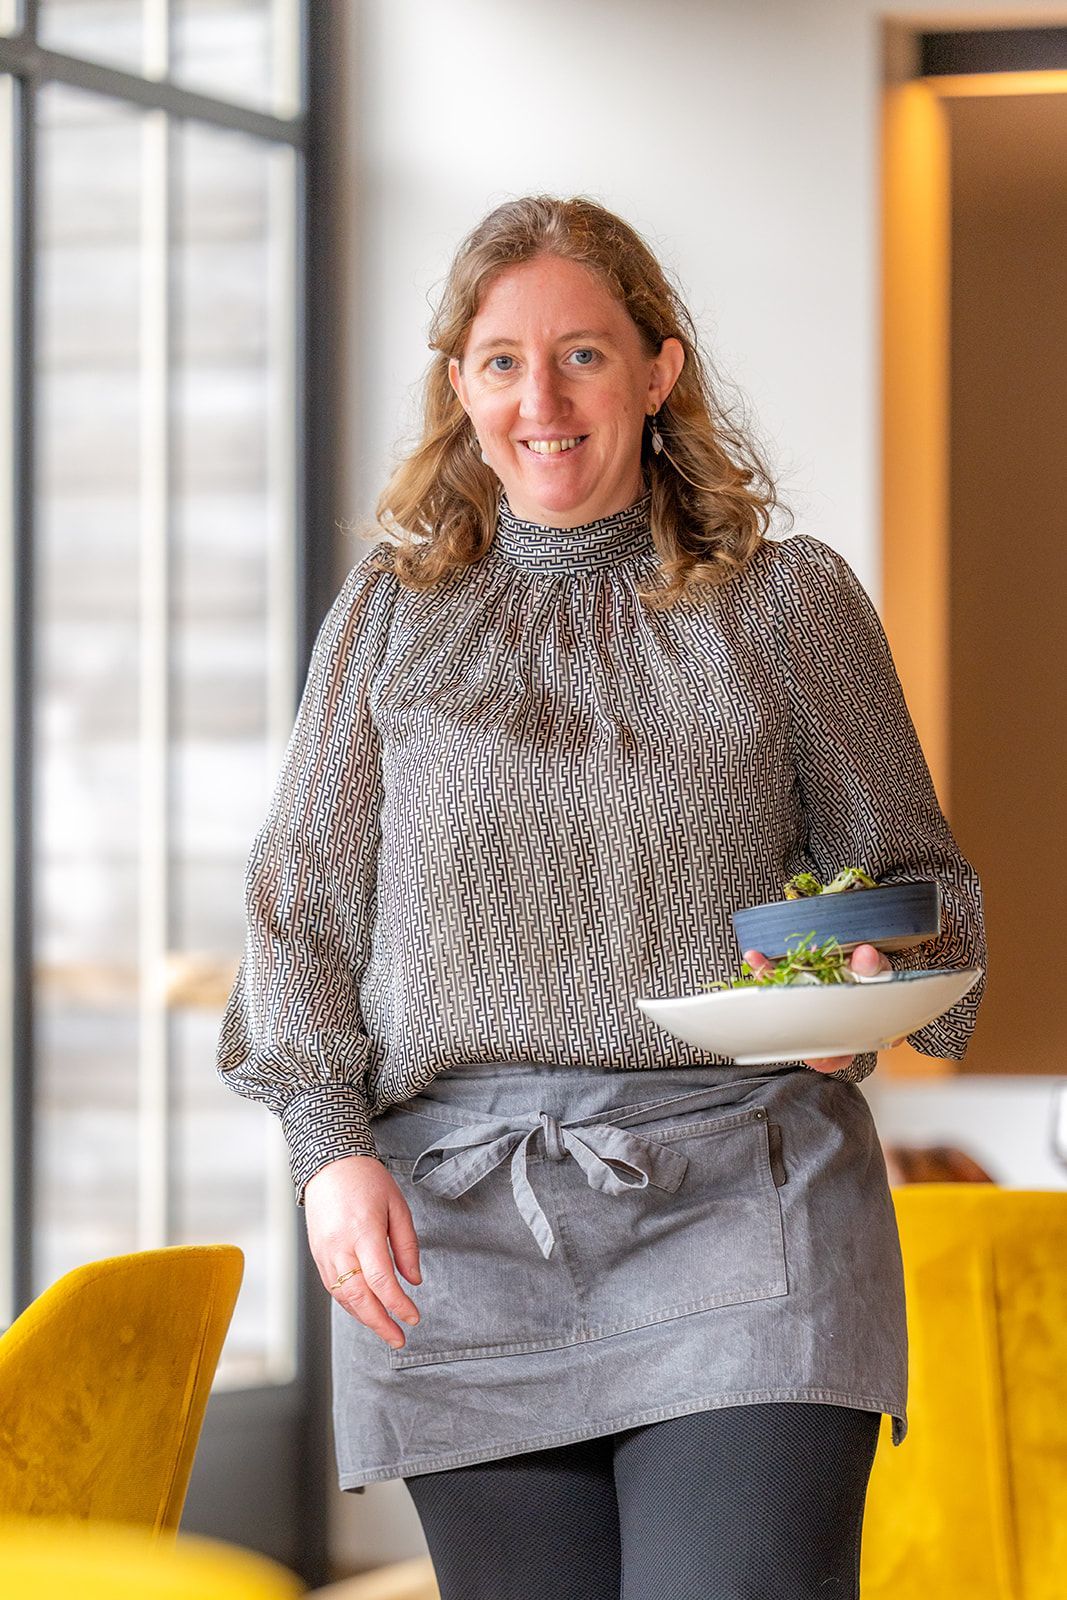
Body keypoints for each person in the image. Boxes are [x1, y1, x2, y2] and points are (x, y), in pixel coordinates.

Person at [216, 194, 987, 1600]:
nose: (541, 397)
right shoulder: (392, 612)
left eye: (582, 353)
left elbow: (917, 881)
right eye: (502, 360)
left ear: (658, 370)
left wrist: (864, 988)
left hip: (746, 1191)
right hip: (460, 1217)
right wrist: (328, 1151)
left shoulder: (784, 602)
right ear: (460, 386)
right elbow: (299, 906)